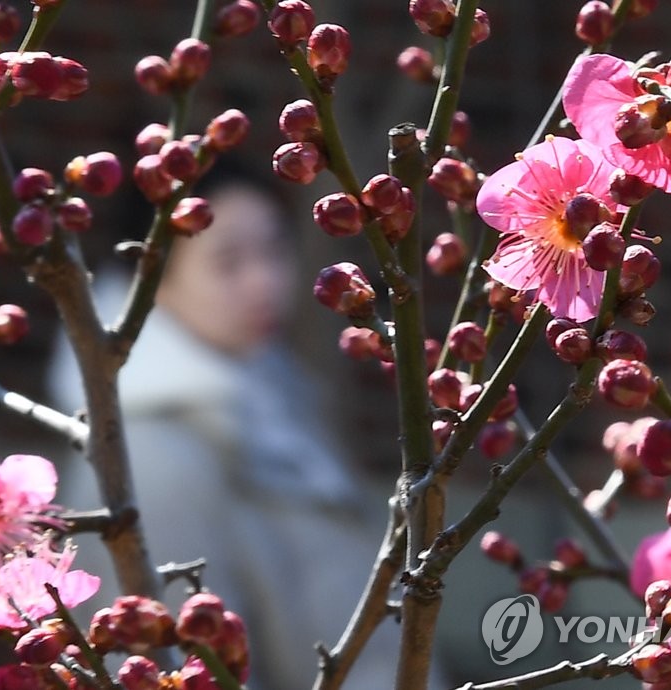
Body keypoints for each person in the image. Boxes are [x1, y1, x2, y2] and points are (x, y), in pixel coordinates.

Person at [50, 167, 432, 689]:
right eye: (228, 263)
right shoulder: (145, 454)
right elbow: (172, 670)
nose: (264, 282)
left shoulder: (278, 399)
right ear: (151, 279)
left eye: (273, 252)